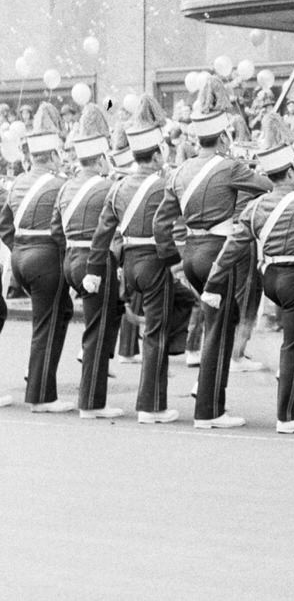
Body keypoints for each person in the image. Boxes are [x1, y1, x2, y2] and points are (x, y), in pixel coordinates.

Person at [155, 75, 272, 431]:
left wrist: (174, 262)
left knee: (216, 322)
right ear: (222, 136)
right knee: (220, 327)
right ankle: (209, 409)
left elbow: (163, 224)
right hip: (219, 253)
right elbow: (267, 186)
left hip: (189, 253)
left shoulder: (179, 171)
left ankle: (205, 386)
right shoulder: (230, 166)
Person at [202, 112, 294, 434]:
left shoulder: (254, 207)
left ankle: (293, 371)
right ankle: (287, 416)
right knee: (292, 344)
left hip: (269, 278)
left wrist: (213, 284)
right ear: (292, 170)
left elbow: (232, 249)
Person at [87, 96, 195, 424]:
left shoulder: (117, 187)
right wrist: (176, 263)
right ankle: (151, 406)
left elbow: (103, 233)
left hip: (128, 264)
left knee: (158, 323)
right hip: (154, 261)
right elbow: (167, 231)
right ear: (158, 153)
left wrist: (94, 268)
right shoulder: (165, 185)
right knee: (156, 334)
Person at [1, 103, 75, 412]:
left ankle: (39, 377)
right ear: (54, 155)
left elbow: (5, 224)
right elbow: (67, 229)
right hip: (47, 258)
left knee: (61, 312)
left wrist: (21, 248)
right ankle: (42, 395)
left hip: (21, 256)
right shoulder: (61, 184)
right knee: (48, 322)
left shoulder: (18, 182)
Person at [54, 104, 123, 418]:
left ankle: (91, 399)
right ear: (99, 158)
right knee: (98, 331)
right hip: (96, 261)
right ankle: (92, 403)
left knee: (96, 327)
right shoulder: (109, 187)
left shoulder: (66, 186)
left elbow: (56, 229)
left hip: (70, 258)